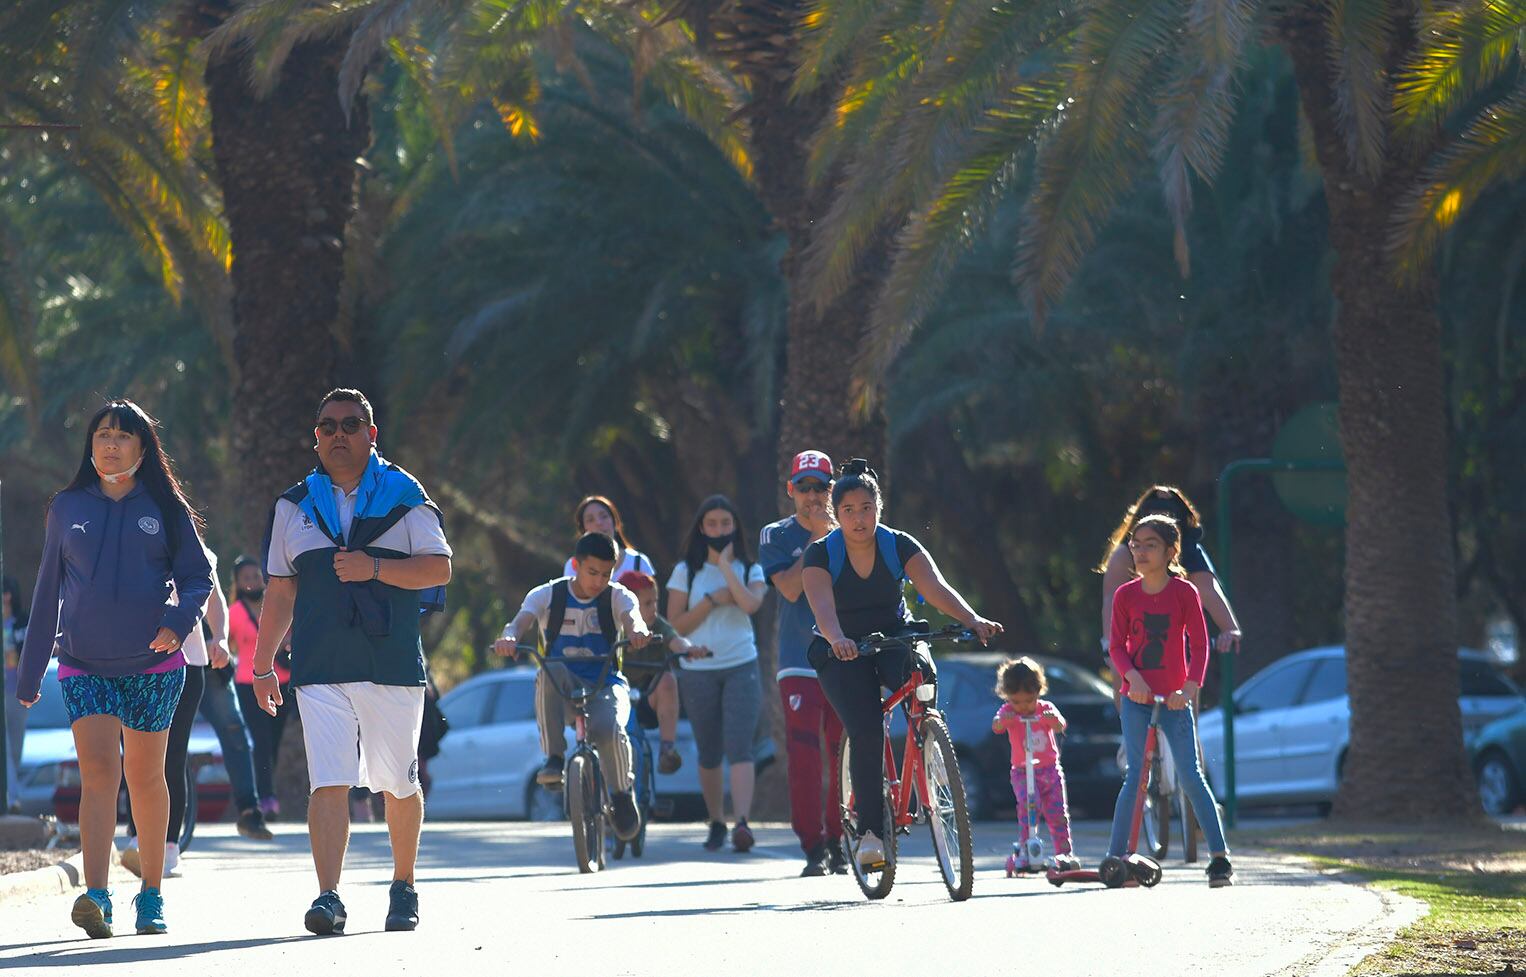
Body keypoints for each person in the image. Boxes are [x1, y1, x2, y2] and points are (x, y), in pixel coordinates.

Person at [249, 388, 453, 935]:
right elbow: (279, 590)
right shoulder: (294, 505)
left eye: (351, 425)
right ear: (315, 437)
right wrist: (262, 665)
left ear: (371, 434)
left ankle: (404, 885)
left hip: (390, 664)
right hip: (319, 666)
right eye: (328, 426)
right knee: (328, 782)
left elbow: (438, 570)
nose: (339, 434)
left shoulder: (404, 494)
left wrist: (375, 569)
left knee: (397, 782)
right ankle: (328, 897)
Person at [15, 399, 214, 937]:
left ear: (143, 448)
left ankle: (150, 895)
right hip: (83, 664)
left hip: (154, 667)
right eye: (102, 434)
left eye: (122, 436)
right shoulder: (67, 507)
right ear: (91, 445)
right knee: (98, 775)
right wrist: (31, 672)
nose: (110, 443)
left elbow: (199, 577)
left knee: (145, 779)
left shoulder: (167, 508)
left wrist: (178, 621)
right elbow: (47, 590)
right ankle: (96, 895)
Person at [801, 459, 1001, 870]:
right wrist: (837, 639)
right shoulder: (821, 554)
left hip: (894, 636)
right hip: (843, 650)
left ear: (879, 508)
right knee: (866, 729)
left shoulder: (898, 544)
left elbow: (935, 587)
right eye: (849, 511)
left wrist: (972, 620)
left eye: (866, 508)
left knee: (921, 674)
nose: (859, 519)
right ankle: (872, 831)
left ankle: (927, 743)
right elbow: (822, 608)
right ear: (835, 516)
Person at [495, 532, 652, 843]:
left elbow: (633, 618)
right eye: (592, 572)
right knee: (546, 669)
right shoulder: (547, 595)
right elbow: (521, 620)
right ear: (576, 566)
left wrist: (638, 631)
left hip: (605, 683)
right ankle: (554, 758)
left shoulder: (618, 596)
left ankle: (621, 795)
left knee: (609, 730)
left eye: (606, 574)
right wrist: (510, 636)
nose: (598, 581)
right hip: (562, 687)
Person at [1108, 514, 1233, 887]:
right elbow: (1117, 646)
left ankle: (1219, 858)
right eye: (1135, 543)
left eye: (1150, 545)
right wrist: (1132, 678)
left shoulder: (1184, 593)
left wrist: (1189, 688)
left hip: (1176, 700)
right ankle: (1117, 858)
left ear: (1170, 551)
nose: (1140, 551)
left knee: (1190, 776)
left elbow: (1199, 644)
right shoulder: (1125, 595)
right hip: (1137, 699)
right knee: (1135, 777)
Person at [758, 449, 848, 877]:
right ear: (790, 489)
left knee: (843, 753)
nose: (813, 496)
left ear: (832, 490)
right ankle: (813, 845)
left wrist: (834, 530)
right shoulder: (775, 534)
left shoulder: (854, 531)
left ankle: (840, 837)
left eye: (821, 487)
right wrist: (817, 537)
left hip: (845, 658)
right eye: (804, 487)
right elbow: (791, 590)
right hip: (798, 661)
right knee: (805, 757)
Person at [666, 495, 767, 853]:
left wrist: (727, 568)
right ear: (701, 528)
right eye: (712, 524)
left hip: (741, 665)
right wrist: (710, 601)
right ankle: (716, 821)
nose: (719, 530)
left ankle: (742, 822)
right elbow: (675, 624)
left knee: (740, 747)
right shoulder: (685, 571)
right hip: (698, 670)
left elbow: (751, 605)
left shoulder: (750, 567)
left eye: (726, 523)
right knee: (709, 751)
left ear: (736, 526)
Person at [1099, 486, 1242, 688]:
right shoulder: (1124, 555)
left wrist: (1230, 628)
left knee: (1181, 715)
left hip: (1176, 659)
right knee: (1132, 716)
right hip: (1132, 657)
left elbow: (1208, 591)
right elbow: (1110, 601)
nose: (1144, 551)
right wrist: (1110, 648)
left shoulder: (1190, 553)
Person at [193, 553, 272, 840]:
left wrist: (220, 638)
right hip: (165, 658)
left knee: (234, 731)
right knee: (159, 741)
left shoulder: (199, 549)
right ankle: (141, 822)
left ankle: (249, 811)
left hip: (209, 660)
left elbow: (216, 600)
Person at [615, 570, 707, 773]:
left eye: (655, 601)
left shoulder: (656, 625)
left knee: (667, 679)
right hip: (613, 702)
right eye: (647, 604)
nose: (654, 609)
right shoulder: (612, 627)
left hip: (647, 700)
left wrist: (688, 649)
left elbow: (675, 640)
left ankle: (667, 750)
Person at [992, 657, 1078, 872]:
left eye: (1029, 700)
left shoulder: (1045, 708)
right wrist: (1004, 720)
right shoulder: (1008, 711)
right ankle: (1024, 849)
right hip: (1022, 771)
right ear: (1008, 697)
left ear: (1039, 692)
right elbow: (996, 726)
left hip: (1049, 770)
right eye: (1016, 701)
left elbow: (1060, 725)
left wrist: (1053, 720)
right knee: (1028, 810)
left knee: (1058, 813)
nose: (1023, 707)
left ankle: (1063, 853)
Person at [229, 554, 291, 821]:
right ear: (238, 583)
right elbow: (227, 642)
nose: (252, 582)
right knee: (261, 740)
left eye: (256, 576)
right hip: (248, 682)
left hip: (283, 680)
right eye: (246, 578)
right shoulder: (234, 613)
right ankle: (266, 797)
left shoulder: (277, 606)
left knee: (274, 741)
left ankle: (267, 790)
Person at [562, 496, 655, 580]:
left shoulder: (638, 562)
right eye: (590, 520)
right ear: (583, 529)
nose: (599, 523)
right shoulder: (574, 566)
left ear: (615, 522)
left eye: (604, 516)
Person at [3, 576, 30, 808]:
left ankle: (12, 795)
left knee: (15, 748)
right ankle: (12, 798)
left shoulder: (20, 623)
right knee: (5, 747)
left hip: (15, 692)